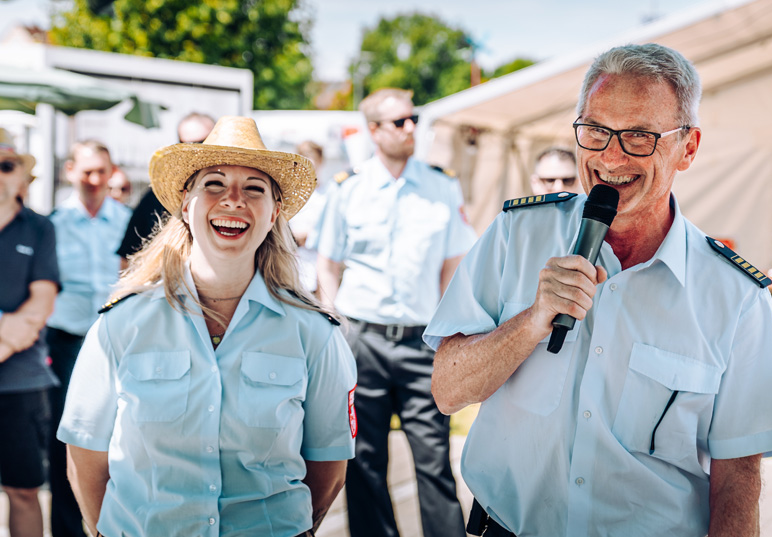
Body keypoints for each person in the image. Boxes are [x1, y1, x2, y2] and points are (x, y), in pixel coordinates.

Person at [425, 43, 772, 537]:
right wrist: (532, 320)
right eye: (596, 130)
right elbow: (448, 391)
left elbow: (737, 477)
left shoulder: (735, 296)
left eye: (640, 135)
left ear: (688, 148)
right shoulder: (517, 235)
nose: (611, 156)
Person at [56, 116, 357, 537]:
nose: (233, 200)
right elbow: (85, 454)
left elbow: (328, 466)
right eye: (214, 184)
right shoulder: (121, 324)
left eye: (254, 188)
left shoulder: (316, 334)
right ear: (185, 204)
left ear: (274, 213)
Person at [311, 88, 475, 537]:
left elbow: (453, 263)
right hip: (362, 339)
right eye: (399, 121)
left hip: (422, 340)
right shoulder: (348, 188)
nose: (410, 128)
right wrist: (337, 326)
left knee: (434, 459)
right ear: (373, 130)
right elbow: (328, 263)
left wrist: (447, 327)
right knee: (363, 462)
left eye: (413, 119)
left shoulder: (441, 185)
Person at [45, 139, 132, 537]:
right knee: (68, 437)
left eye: (101, 171)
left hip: (120, 341)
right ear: (70, 172)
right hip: (67, 341)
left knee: (120, 435)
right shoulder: (53, 224)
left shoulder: (127, 220)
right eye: (87, 171)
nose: (94, 180)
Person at [0, 129, 60, 537]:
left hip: (21, 381)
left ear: (21, 176)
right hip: (16, 358)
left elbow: (40, 306)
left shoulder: (40, 228)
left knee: (24, 491)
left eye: (6, 166)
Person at [117, 112, 215, 266]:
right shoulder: (157, 196)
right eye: (185, 145)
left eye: (202, 143)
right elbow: (128, 255)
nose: (194, 151)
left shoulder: (233, 194)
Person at [289, 140, 327, 294]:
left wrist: (311, 235)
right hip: (293, 263)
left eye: (312, 157)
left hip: (319, 263)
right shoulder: (289, 194)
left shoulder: (328, 194)